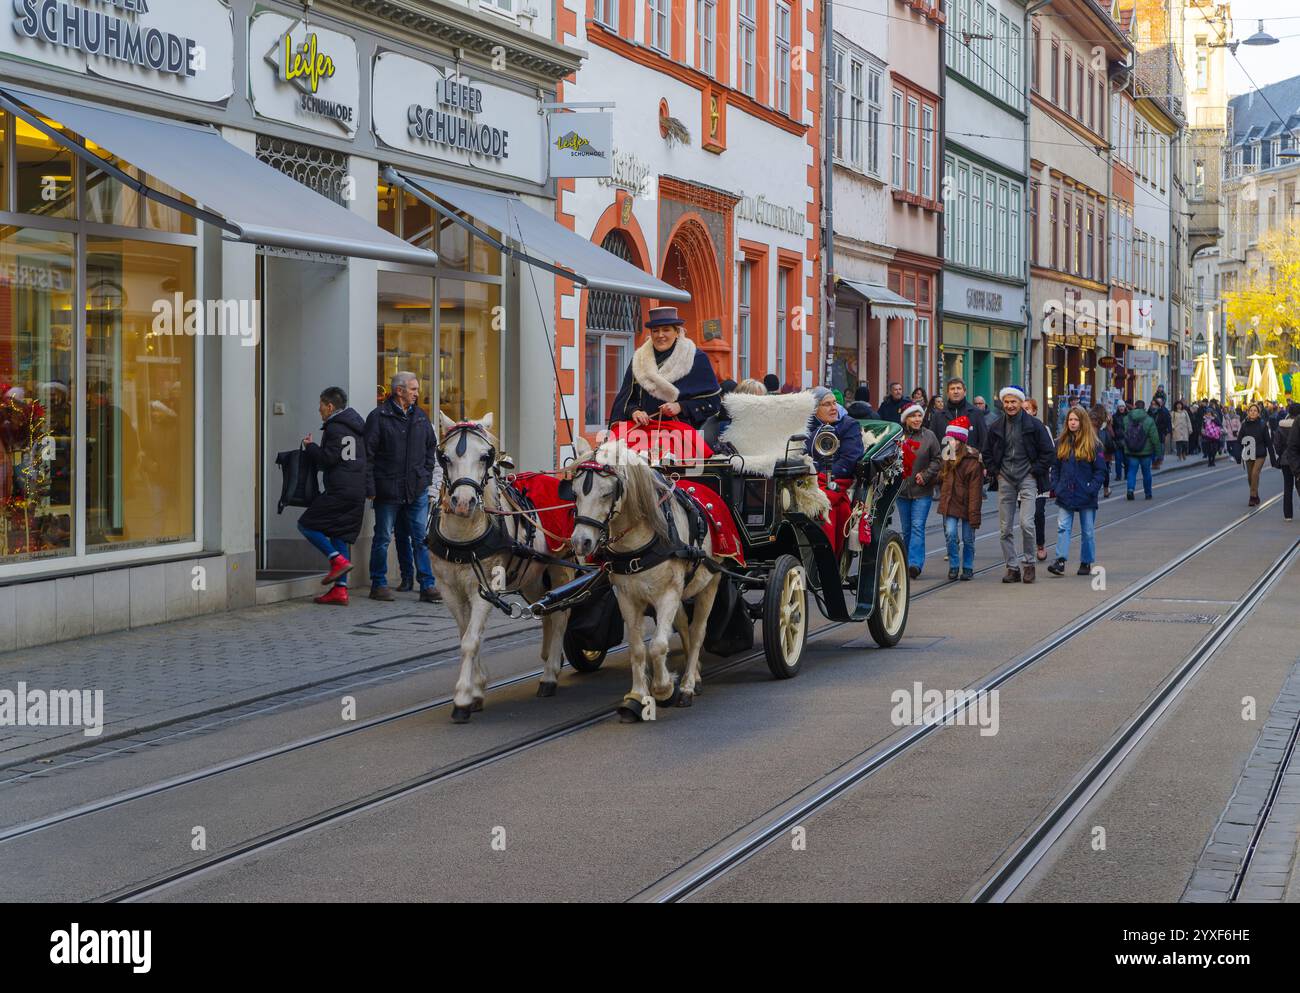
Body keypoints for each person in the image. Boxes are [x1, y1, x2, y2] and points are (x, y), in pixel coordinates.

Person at [364, 372, 440, 603]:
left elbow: (431, 448)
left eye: (417, 389)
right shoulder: (379, 417)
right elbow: (367, 455)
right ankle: (378, 584)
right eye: (413, 389)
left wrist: (425, 476)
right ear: (399, 391)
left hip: (416, 489)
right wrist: (371, 486)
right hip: (387, 489)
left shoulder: (420, 417)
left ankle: (427, 585)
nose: (417, 393)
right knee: (383, 537)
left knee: (421, 538)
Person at [298, 387, 368, 606]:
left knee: (306, 525)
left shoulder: (335, 428)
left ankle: (335, 560)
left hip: (340, 489)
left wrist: (310, 447)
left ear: (330, 406)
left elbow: (327, 459)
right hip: (357, 489)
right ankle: (340, 590)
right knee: (340, 534)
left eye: (321, 405)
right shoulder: (356, 427)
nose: (318, 410)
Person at [608, 306, 722, 429]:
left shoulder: (696, 358)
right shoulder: (639, 360)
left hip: (680, 432)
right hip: (643, 429)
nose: (660, 335)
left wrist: (681, 407)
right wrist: (634, 411)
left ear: (677, 332)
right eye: (655, 331)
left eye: (666, 330)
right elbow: (626, 399)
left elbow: (713, 402)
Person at [983, 385, 1054, 584]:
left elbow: (1049, 452)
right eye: (1006, 402)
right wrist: (995, 472)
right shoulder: (996, 426)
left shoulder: (1034, 425)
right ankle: (1012, 567)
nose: (1010, 405)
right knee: (1005, 528)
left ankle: (1029, 564)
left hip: (1028, 478)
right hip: (1005, 478)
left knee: (1026, 523)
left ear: (1021, 403)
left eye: (1013, 402)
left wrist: (1035, 470)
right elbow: (987, 452)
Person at [1047, 407, 1108, 577]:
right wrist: (1056, 486)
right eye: (1070, 420)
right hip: (1065, 493)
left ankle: (1086, 561)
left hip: (1086, 494)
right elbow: (1056, 467)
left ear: (1082, 422)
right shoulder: (1061, 442)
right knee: (1063, 527)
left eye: (1076, 420)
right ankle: (1060, 560)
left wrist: (1092, 488)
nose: (1073, 423)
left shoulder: (1093, 444)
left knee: (1087, 531)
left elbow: (1100, 471)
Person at [806, 387, 865, 555]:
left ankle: (829, 556)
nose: (833, 408)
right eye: (827, 404)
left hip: (835, 479)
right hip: (806, 478)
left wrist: (819, 474)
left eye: (834, 403)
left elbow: (850, 459)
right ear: (814, 409)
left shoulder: (848, 425)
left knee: (828, 505)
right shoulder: (805, 428)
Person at [895, 401, 940, 579]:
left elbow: (937, 459)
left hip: (922, 490)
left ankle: (914, 564)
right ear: (905, 419)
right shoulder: (898, 437)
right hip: (902, 491)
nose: (917, 419)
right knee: (906, 529)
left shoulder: (929, 436)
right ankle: (905, 562)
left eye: (919, 415)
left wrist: (926, 474)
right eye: (913, 416)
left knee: (917, 527)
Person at [937, 415, 982, 581]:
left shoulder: (972, 461)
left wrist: (974, 514)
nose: (950, 442)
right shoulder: (947, 457)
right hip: (950, 503)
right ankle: (954, 566)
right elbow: (940, 477)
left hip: (967, 505)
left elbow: (975, 492)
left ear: (961, 441)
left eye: (954, 440)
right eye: (949, 439)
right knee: (950, 534)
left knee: (968, 539)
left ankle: (968, 567)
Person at [928, 377, 988, 455]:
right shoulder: (938, 416)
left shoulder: (976, 413)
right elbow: (932, 443)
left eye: (959, 388)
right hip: (945, 464)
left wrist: (976, 455)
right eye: (952, 389)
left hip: (969, 463)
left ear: (965, 392)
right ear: (947, 393)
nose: (955, 391)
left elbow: (984, 441)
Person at [1023, 397, 1050, 561]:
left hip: (1038, 479)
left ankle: (1040, 544)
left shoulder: (1042, 428)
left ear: (1034, 411)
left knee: (1038, 514)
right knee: (1025, 519)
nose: (1025, 411)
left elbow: (1049, 453)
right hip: (1020, 480)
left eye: (1028, 408)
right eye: (1023, 408)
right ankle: (1028, 549)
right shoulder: (1015, 427)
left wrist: (1038, 468)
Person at [1122, 400, 1161, 499]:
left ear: (1135, 406)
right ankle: (1148, 493)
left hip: (1131, 450)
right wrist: (1158, 453)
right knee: (1146, 472)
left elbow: (1124, 434)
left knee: (1131, 471)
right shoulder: (1149, 420)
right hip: (1145, 452)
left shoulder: (1126, 419)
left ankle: (1130, 489)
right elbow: (1155, 438)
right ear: (1144, 408)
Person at [1238, 402, 1271, 507]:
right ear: (1248, 412)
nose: (1253, 412)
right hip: (1249, 453)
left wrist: (1273, 457)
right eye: (1251, 410)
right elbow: (1239, 439)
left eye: (1255, 411)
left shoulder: (1262, 424)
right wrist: (1237, 453)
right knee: (1250, 477)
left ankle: (1252, 497)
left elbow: (1268, 442)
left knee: (1255, 473)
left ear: (1258, 413)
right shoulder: (1244, 425)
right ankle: (1255, 495)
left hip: (1260, 453)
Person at [1274, 401, 1300, 521]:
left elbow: (1277, 444)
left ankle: (1288, 515)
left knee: (1287, 486)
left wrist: (1282, 454)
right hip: (1298, 460)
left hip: (1285, 460)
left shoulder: (1281, 426)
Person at [1090, 404, 1114, 499]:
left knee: (1093, 469)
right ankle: (1105, 489)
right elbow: (1112, 435)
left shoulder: (1090, 419)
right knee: (1105, 470)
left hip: (1093, 448)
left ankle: (1093, 488)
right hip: (1105, 450)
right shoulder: (1106, 421)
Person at [1112, 401, 1129, 484]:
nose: (1121, 408)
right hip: (1117, 441)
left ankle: (1126, 475)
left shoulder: (1128, 416)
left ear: (1125, 407)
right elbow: (1112, 428)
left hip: (1126, 441)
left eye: (1122, 406)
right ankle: (1118, 476)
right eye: (1120, 406)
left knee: (1126, 460)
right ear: (1118, 407)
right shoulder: (1114, 417)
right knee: (1118, 460)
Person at [1152, 397, 1172, 466]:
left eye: (1158, 403)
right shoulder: (1151, 411)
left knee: (1161, 446)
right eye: (1154, 404)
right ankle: (1155, 461)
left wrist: (1167, 430)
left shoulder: (1164, 411)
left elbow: (1167, 421)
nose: (1155, 405)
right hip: (1153, 432)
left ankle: (1160, 459)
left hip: (1161, 432)